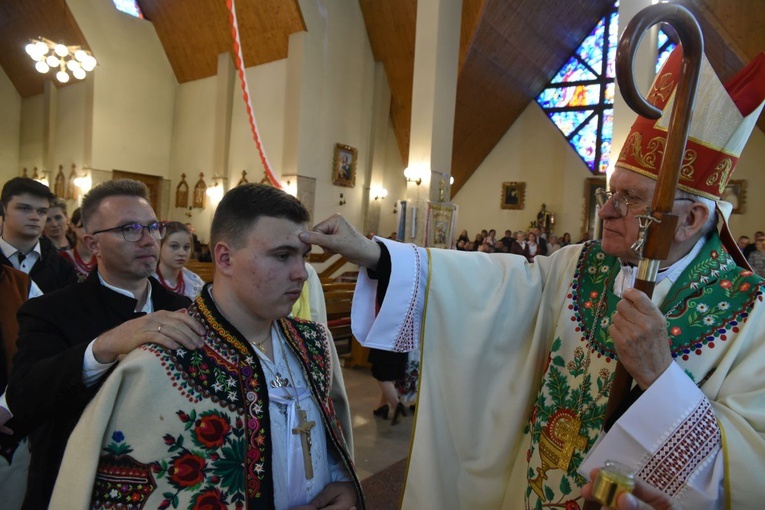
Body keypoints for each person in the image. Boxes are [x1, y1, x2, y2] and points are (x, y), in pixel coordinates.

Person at [301, 49, 765, 508]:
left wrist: (662, 378)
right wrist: (373, 253)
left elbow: (751, 474)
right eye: (609, 192)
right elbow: (488, 289)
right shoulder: (577, 266)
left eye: (630, 199)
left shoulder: (751, 316)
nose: (605, 211)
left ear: (692, 219)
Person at [50, 183, 363, 509]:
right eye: (282, 256)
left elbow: (333, 447)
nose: (301, 273)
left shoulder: (315, 342)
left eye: (303, 256)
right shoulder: (159, 361)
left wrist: (346, 486)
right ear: (225, 257)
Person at [0, 179, 205, 508]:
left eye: (153, 227)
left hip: (168, 485)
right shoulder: (50, 311)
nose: (148, 239)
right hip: (76, 483)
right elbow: (24, 397)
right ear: (92, 243)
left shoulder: (186, 309)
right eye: (129, 229)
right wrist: (102, 347)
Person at [0, 177, 77, 293]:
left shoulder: (62, 267)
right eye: (25, 209)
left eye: (42, 211)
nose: (35, 217)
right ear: (4, 210)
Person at [153, 221, 205, 299]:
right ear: (159, 246)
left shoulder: (195, 283)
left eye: (186, 247)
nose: (182, 253)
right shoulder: (148, 281)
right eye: (174, 246)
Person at [59, 208, 96, 282]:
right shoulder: (62, 258)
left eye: (94, 226)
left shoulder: (103, 257)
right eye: (83, 226)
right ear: (73, 226)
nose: (89, 231)